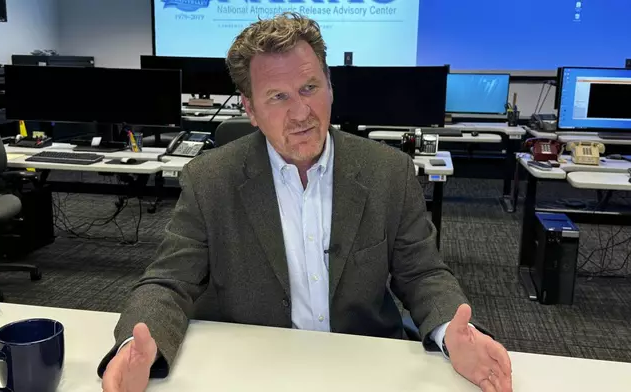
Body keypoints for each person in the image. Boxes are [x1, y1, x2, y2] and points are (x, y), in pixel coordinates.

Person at [100, 12, 512, 392]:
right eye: (277, 96)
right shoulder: (211, 180)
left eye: (309, 88)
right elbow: (168, 283)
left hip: (364, 368)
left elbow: (422, 274)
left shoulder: (389, 173)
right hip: (252, 367)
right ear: (251, 110)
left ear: (330, 87)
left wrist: (450, 333)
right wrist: (139, 348)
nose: (301, 112)